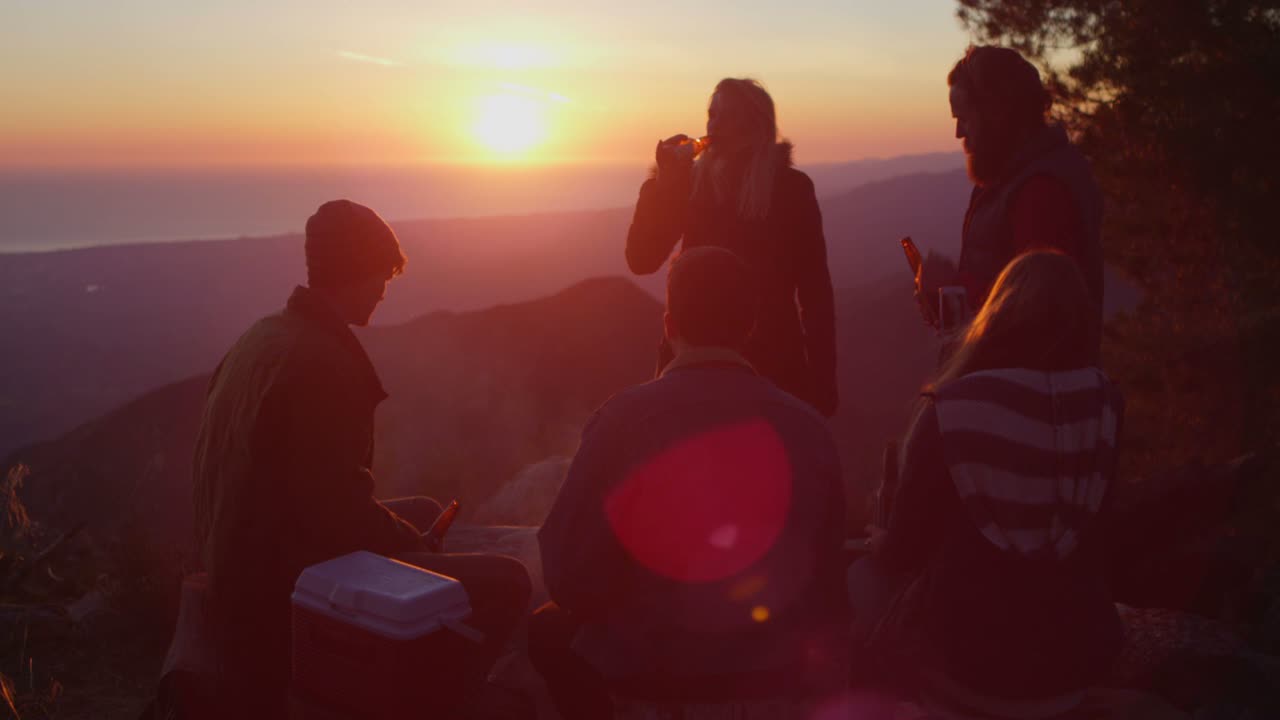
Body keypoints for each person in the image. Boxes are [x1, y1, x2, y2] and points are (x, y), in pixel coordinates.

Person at [184, 200, 531, 717]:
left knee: (418, 508)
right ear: (357, 270)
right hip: (278, 584)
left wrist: (403, 534)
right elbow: (337, 517)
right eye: (381, 277)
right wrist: (413, 548)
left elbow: (316, 491)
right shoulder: (323, 363)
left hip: (239, 554)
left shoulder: (265, 336)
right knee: (509, 581)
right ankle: (435, 698)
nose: (383, 291)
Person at [530, 247, 850, 720]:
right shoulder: (807, 427)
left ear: (669, 325)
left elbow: (567, 575)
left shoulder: (621, 421)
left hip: (653, 679)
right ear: (750, 327)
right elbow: (829, 580)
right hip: (781, 678)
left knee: (547, 630)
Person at [852, 251, 1123, 717]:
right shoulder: (1103, 404)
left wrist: (879, 542)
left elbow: (905, 552)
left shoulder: (952, 409)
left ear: (999, 311)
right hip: (1076, 657)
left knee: (861, 580)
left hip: (970, 664)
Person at [625, 77, 839, 417]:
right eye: (712, 115)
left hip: (770, 370)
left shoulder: (790, 190)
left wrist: (823, 384)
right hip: (690, 367)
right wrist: (664, 184)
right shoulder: (689, 185)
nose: (714, 125)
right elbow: (641, 258)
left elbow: (815, 293)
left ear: (756, 125)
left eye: (728, 116)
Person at [916, 46, 1104, 357]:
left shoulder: (1041, 192)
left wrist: (952, 289)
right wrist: (945, 299)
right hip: (1009, 389)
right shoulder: (1007, 182)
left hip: (1026, 398)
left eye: (964, 117)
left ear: (997, 114)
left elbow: (1038, 312)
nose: (958, 132)